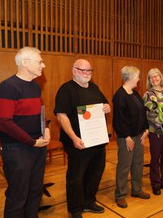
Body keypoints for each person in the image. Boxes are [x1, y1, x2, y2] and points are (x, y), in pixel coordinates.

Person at [0, 47, 51, 217]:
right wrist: (32, 142)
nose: (44, 65)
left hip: (37, 146)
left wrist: (46, 128)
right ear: (25, 63)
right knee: (18, 196)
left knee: (34, 192)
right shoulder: (8, 86)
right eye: (40, 61)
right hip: (17, 149)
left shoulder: (35, 87)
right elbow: (4, 123)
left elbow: (38, 114)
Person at [54, 59, 110, 218]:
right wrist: (73, 138)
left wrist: (107, 107)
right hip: (78, 142)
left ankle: (89, 202)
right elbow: (61, 115)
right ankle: (75, 209)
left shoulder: (94, 87)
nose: (86, 74)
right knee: (76, 177)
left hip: (97, 140)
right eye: (82, 70)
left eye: (89, 71)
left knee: (95, 173)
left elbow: (104, 105)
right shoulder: (66, 90)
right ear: (73, 70)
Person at [113, 66, 150, 208]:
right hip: (126, 138)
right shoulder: (119, 96)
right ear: (130, 78)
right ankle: (120, 195)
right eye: (138, 77)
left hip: (139, 135)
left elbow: (142, 112)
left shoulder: (135, 93)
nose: (139, 79)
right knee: (124, 166)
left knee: (138, 164)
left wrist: (146, 130)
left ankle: (137, 189)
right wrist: (127, 137)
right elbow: (118, 120)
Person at [143, 68, 163, 195]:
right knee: (155, 158)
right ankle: (156, 183)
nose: (154, 79)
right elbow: (147, 114)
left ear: (160, 77)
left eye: (156, 76)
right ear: (149, 80)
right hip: (155, 131)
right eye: (151, 77)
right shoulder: (147, 95)